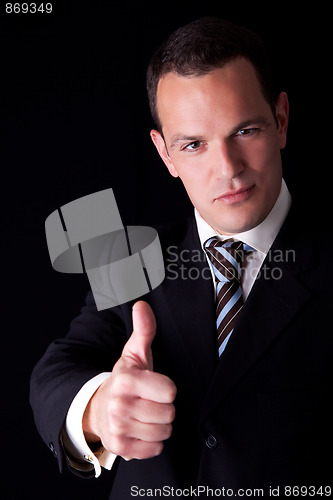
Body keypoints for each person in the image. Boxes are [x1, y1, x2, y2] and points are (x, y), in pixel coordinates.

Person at [30, 17, 333, 499]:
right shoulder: (128, 259)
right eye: (193, 145)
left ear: (280, 121)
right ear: (165, 155)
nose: (228, 170)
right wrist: (98, 408)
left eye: (246, 130)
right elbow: (61, 365)